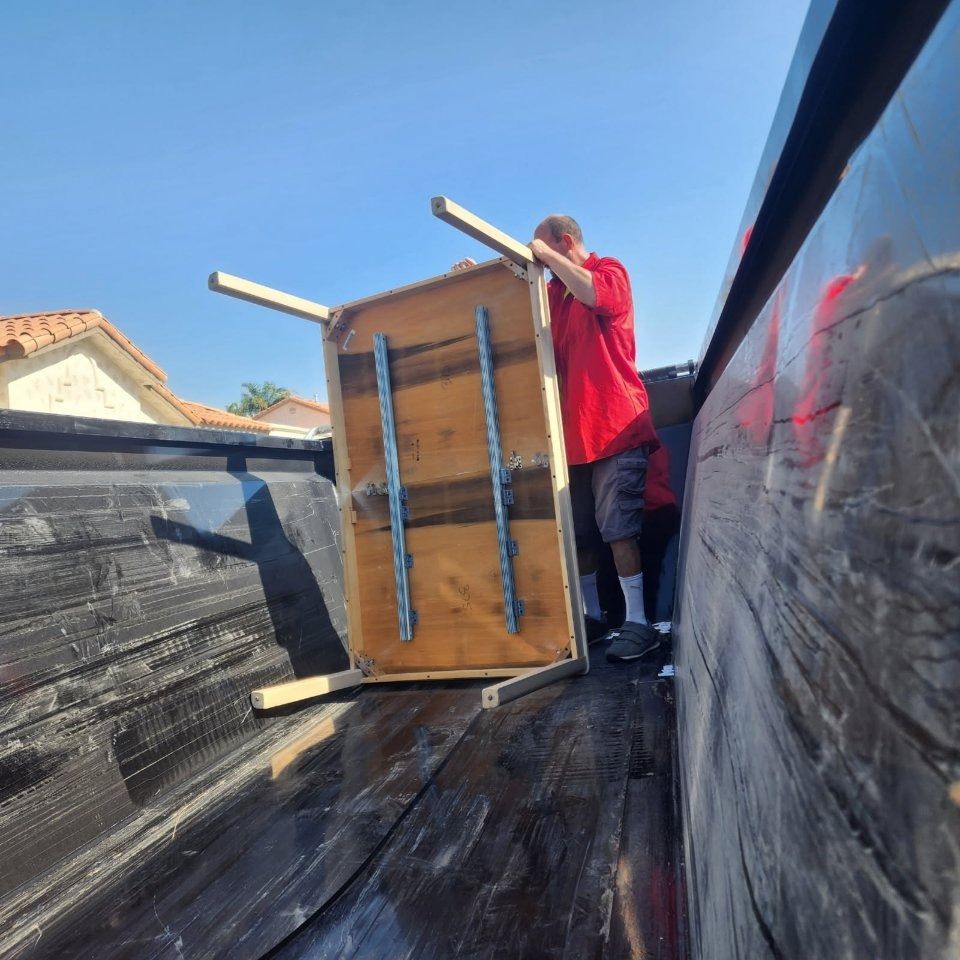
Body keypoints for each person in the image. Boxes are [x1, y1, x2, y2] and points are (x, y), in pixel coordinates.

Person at [457, 215, 661, 662]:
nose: (540, 263)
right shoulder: (553, 294)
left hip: (613, 429)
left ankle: (640, 624)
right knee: (580, 534)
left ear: (564, 243)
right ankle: (591, 619)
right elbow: (511, 310)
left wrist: (544, 255)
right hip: (571, 439)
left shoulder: (608, 271)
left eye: (544, 252)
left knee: (619, 531)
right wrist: (476, 280)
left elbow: (595, 294)